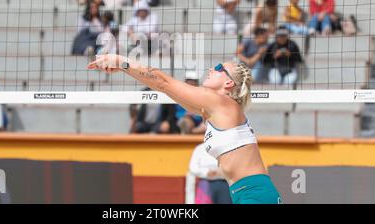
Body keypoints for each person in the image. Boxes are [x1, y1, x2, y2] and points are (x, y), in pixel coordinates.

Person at [87, 56, 282, 204]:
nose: (211, 69)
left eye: (219, 68)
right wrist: (126, 69)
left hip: (255, 194)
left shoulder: (221, 102)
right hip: (247, 192)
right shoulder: (212, 109)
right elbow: (164, 88)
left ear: (228, 83)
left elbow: (163, 82)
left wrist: (122, 61)